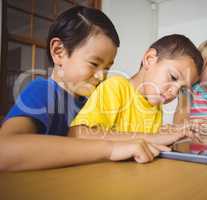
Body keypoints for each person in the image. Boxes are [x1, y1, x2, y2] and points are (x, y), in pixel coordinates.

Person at [0, 6, 169, 172]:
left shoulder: (92, 102)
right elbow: (5, 150)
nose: (101, 76)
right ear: (59, 52)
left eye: (107, 68)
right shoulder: (42, 91)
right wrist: (110, 149)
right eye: (94, 64)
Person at [68, 34, 203, 145]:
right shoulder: (116, 87)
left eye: (181, 89)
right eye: (173, 77)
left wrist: (172, 132)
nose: (174, 92)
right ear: (149, 60)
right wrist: (153, 139)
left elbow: (146, 138)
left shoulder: (155, 106)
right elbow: (78, 134)